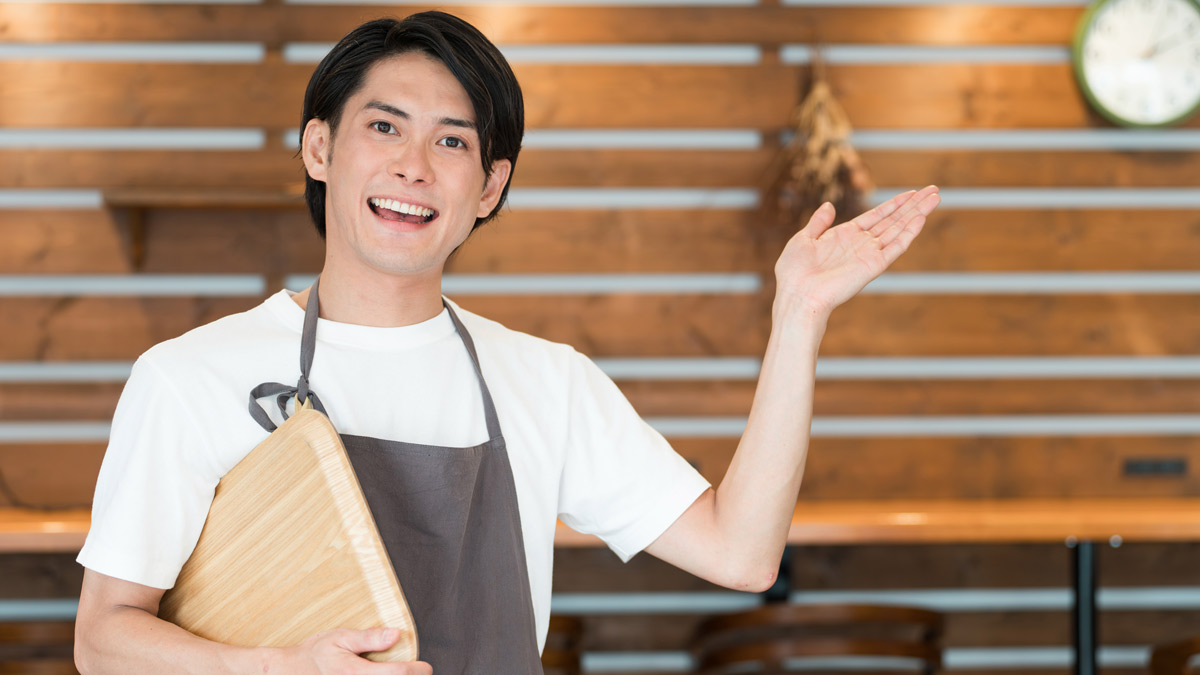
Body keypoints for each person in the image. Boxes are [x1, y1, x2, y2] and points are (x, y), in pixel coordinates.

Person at [72, 11, 940, 675]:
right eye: (385, 127)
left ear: (489, 187)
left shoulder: (545, 382)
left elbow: (743, 554)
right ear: (319, 148)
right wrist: (273, 670)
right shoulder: (191, 376)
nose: (415, 164)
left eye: (453, 141)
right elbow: (102, 635)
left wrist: (800, 317)